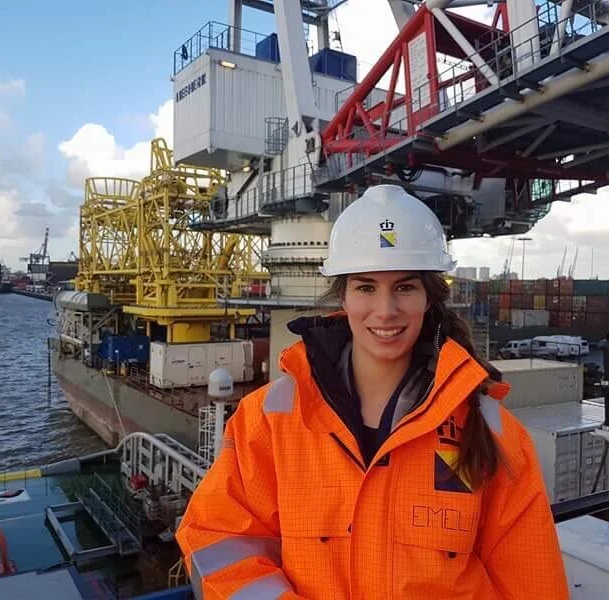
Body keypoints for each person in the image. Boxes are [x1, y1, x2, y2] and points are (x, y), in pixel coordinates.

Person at [176, 184, 569, 599]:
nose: (385, 310)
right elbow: (216, 537)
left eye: (404, 287)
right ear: (342, 297)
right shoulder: (269, 421)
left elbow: (532, 583)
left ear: (428, 300)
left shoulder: (491, 434)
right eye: (366, 287)